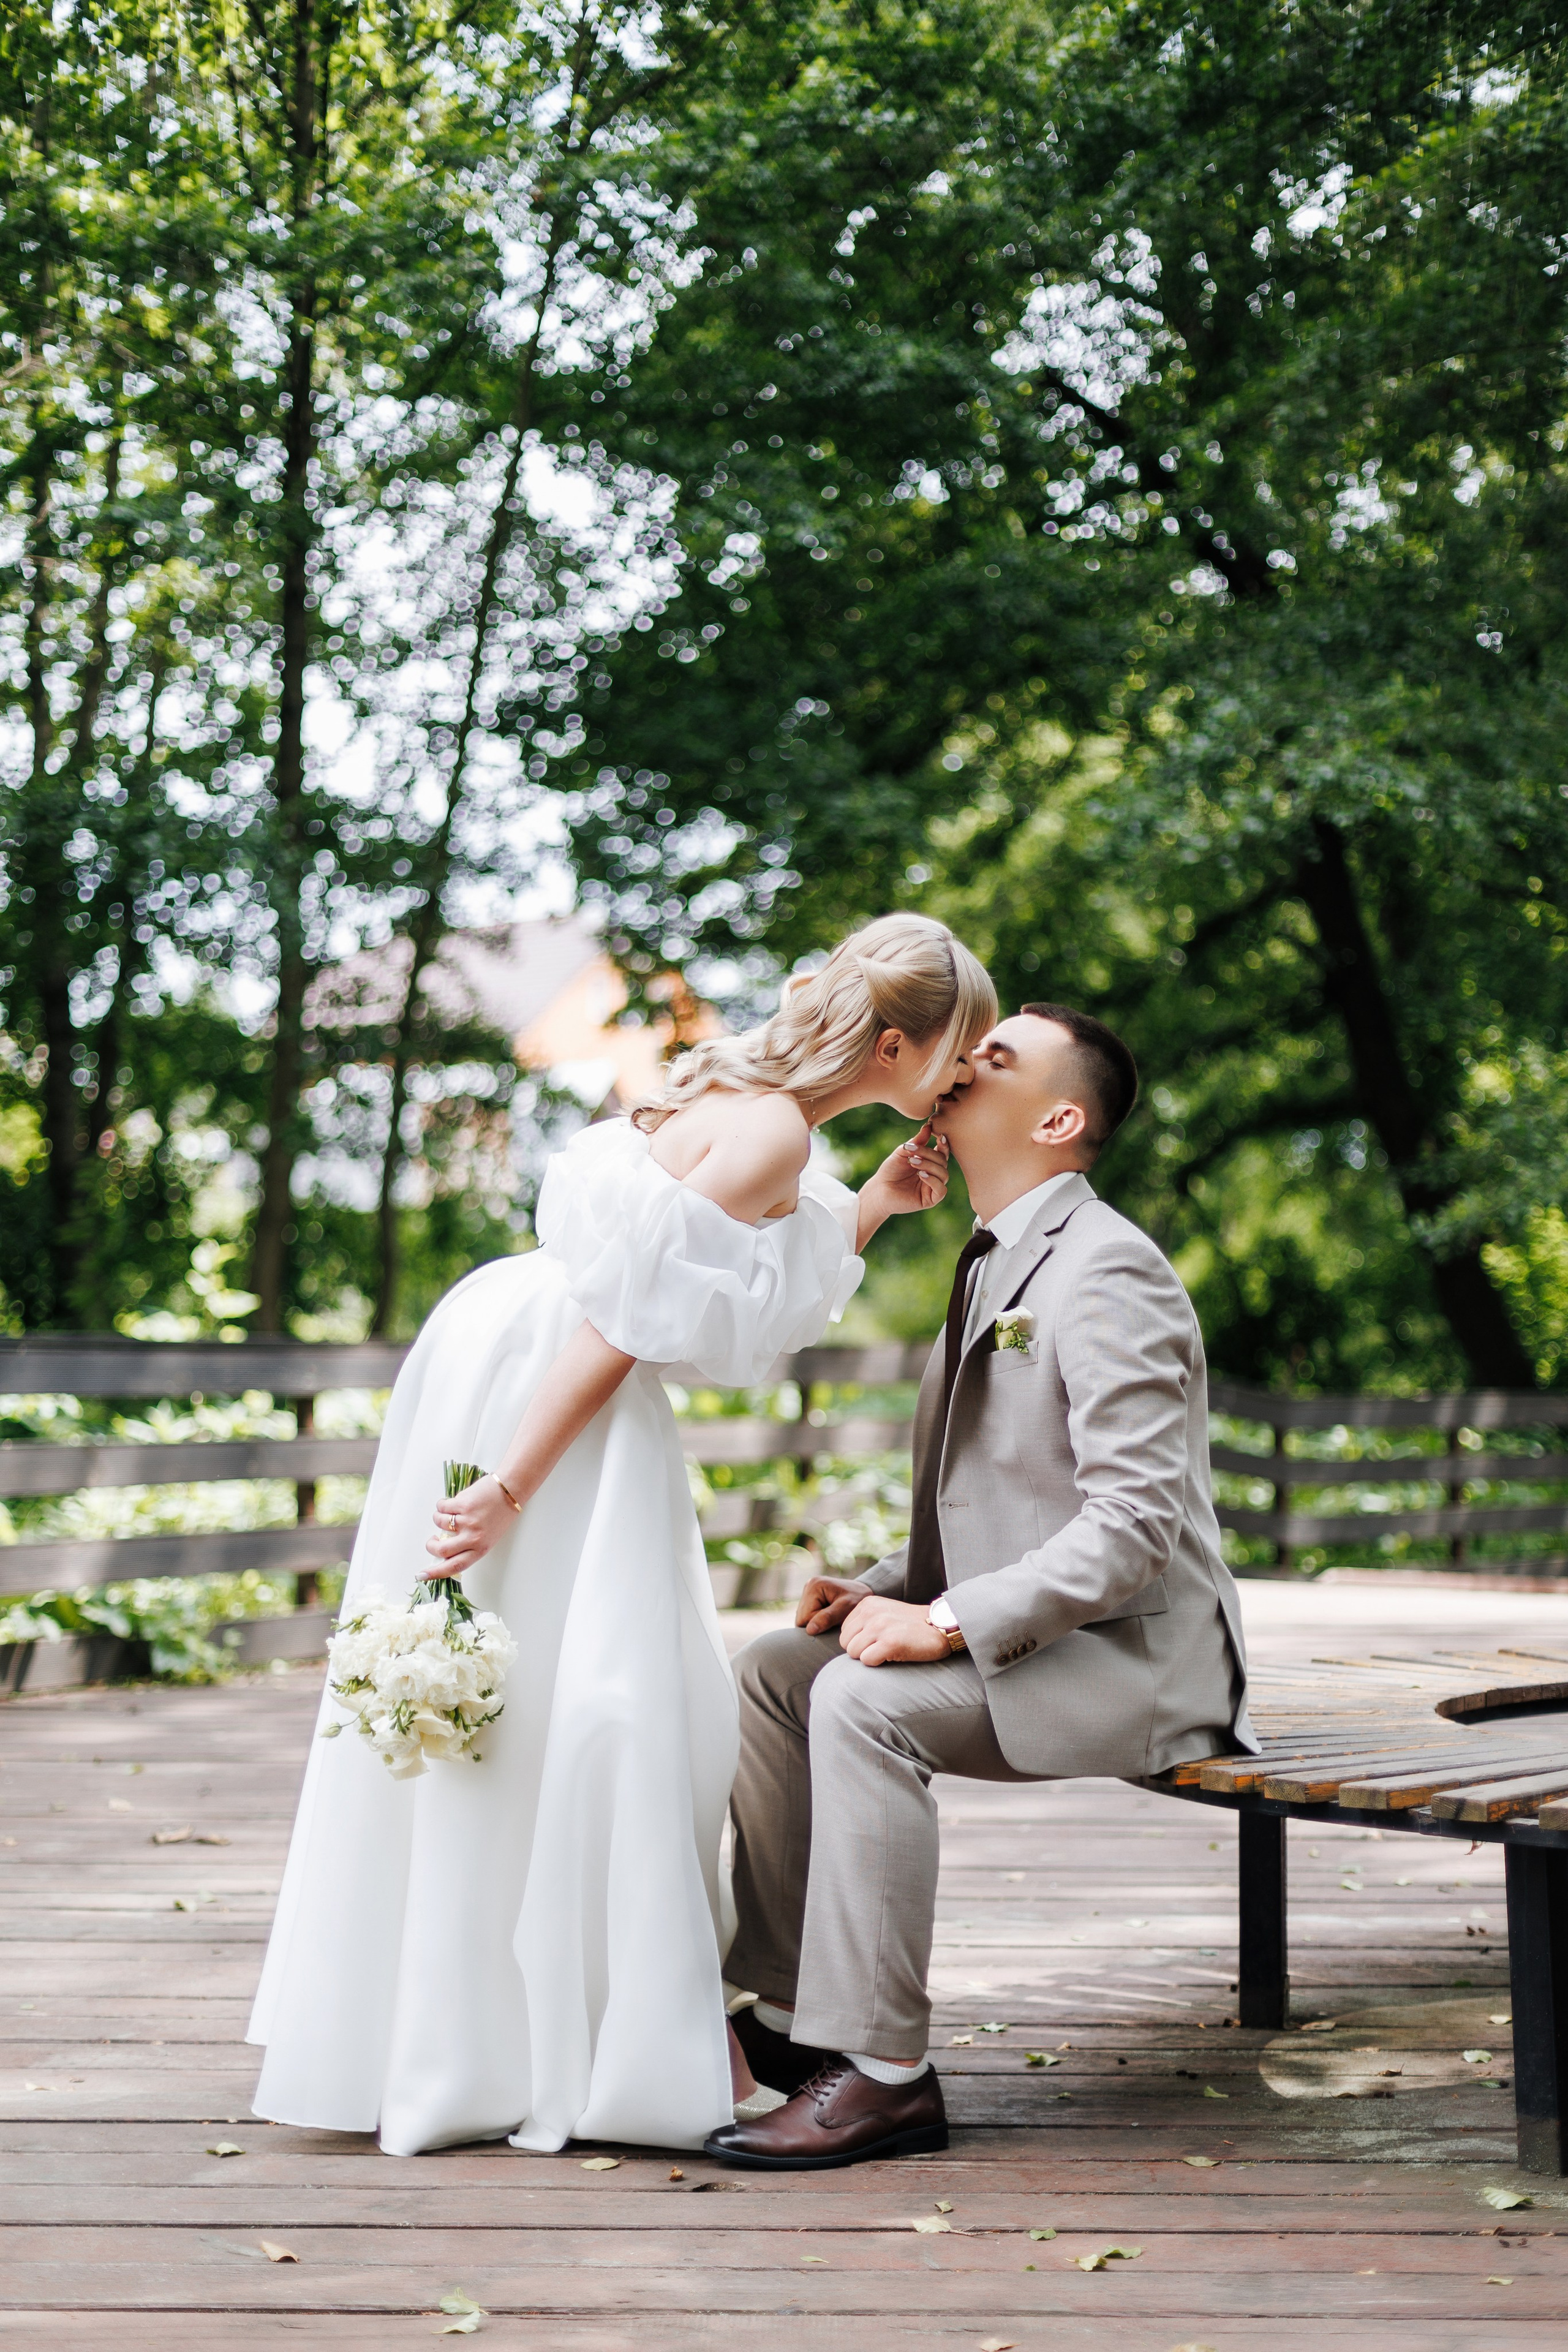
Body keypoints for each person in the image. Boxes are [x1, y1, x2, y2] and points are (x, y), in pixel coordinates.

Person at [246, 914, 997, 2157]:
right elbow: (629, 1322)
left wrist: (866, 1209)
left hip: (516, 1351)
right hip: (558, 1396)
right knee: (613, 1705)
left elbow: (727, 1303)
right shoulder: (765, 1129)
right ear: (899, 1044)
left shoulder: (763, 1111)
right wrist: (508, 1486)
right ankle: (580, 2045)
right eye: (959, 1047)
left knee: (564, 1701)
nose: (963, 1074)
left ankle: (510, 2028)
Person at [707, 1001, 1259, 2169]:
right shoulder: (994, 1256)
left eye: (994, 1057)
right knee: (777, 1671)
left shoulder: (1107, 1268)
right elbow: (1003, 1498)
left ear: (1059, 1119)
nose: (962, 1065)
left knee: (862, 1708)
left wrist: (945, 1621)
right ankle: (796, 2018)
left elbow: (1134, 1528)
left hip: (1142, 1660)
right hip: (1052, 1633)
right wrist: (878, 1591)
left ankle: (888, 2075)